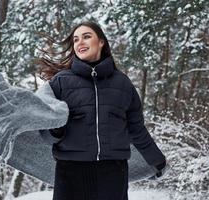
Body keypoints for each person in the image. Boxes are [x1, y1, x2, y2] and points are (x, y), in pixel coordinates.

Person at [37, 21, 166, 200]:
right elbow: (43, 129)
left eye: (86, 36)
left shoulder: (123, 84)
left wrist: (156, 160)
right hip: (70, 173)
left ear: (102, 42)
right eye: (75, 40)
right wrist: (56, 128)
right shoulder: (59, 83)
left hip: (112, 173)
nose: (80, 42)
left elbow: (136, 129)